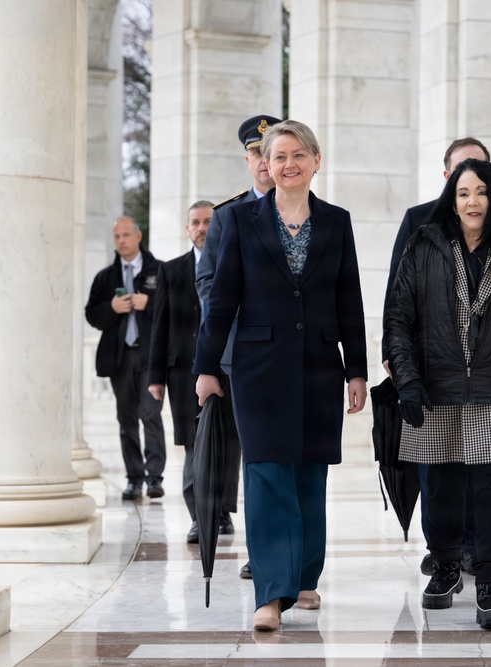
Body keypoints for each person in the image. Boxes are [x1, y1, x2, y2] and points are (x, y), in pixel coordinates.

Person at [194, 119, 368, 632]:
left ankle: (305, 577)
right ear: (264, 165)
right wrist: (206, 367)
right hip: (258, 367)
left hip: (318, 364)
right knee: (267, 473)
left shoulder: (337, 221)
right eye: (279, 156)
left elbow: (349, 300)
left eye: (299, 154)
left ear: (316, 160)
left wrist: (355, 370)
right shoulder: (243, 220)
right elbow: (222, 298)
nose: (288, 164)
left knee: (311, 474)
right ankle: (271, 593)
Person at [383, 158, 491, 630]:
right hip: (435, 386)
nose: (472, 201)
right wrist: (408, 380)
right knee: (441, 485)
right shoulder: (424, 246)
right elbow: (399, 318)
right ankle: (445, 565)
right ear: (451, 200)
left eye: (480, 192)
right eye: (463, 193)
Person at [196, 114, 282, 578]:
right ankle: (261, 551)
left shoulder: (304, 211)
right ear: (248, 159)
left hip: (290, 355)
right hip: (242, 357)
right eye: (255, 152)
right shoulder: (227, 215)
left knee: (284, 459)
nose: (263, 161)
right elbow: (208, 282)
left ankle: (284, 551)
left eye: (270, 151)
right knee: (254, 459)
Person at [147, 200, 241, 543]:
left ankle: (222, 512)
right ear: (187, 229)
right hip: (183, 373)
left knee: (230, 444)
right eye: (195, 223)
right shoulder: (171, 271)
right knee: (192, 445)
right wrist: (155, 376)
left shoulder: (232, 261)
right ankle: (199, 517)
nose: (202, 228)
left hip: (229, 365)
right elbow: (160, 326)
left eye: (208, 222)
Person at [86, 216, 166, 501]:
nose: (121, 240)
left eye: (125, 235)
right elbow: (91, 314)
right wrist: (111, 307)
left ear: (138, 236)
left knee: (150, 414)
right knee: (126, 419)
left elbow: (177, 307)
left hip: (151, 357)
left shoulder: (160, 271)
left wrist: (150, 303)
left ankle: (155, 477)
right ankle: (134, 479)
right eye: (116, 236)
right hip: (120, 358)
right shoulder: (106, 277)